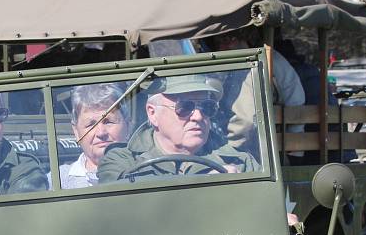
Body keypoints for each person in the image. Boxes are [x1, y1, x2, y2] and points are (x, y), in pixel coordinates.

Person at [97, 75, 258, 182]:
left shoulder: (240, 162)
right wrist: (204, 185)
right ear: (152, 113)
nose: (198, 116)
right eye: (185, 107)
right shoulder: (121, 162)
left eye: (207, 107)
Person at [209, 30, 305, 158]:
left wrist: (225, 150)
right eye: (218, 43)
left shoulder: (251, 64)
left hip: (253, 152)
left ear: (242, 38)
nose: (222, 47)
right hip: (279, 144)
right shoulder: (265, 58)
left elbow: (245, 121)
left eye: (228, 40)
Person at [61, 83, 132, 188]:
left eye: (108, 121)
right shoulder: (57, 182)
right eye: (90, 124)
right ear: (76, 131)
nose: (101, 133)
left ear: (128, 126)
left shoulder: (149, 172)